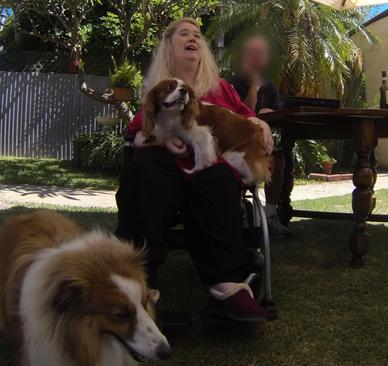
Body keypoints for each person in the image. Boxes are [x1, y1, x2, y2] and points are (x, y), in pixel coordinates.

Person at [115, 18, 274, 322]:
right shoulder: (159, 90)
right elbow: (136, 130)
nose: (193, 39)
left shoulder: (222, 89)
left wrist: (262, 123)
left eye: (197, 36)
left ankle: (228, 287)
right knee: (144, 168)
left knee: (216, 177)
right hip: (165, 171)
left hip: (211, 169)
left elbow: (248, 119)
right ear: (168, 48)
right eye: (183, 34)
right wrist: (147, 139)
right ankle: (137, 281)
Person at [229, 34, 291, 238]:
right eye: (252, 53)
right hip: (236, 147)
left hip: (262, 145)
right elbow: (240, 115)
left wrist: (270, 114)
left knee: (279, 157)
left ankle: (271, 215)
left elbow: (281, 115)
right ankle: (238, 211)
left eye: (261, 54)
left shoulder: (271, 86)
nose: (257, 58)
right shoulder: (232, 84)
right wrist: (254, 87)